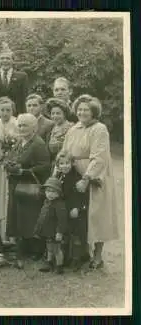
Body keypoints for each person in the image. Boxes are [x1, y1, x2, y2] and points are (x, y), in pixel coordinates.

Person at [60, 94, 119, 270]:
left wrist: (86, 178)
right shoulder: (73, 129)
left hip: (93, 177)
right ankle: (81, 252)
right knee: (78, 214)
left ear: (93, 112)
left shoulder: (99, 129)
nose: (82, 113)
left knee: (97, 214)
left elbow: (100, 157)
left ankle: (98, 256)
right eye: (79, 109)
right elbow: (64, 152)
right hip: (73, 174)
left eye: (86, 110)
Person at [5, 113, 51, 269]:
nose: (21, 128)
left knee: (31, 216)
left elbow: (45, 166)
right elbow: (12, 157)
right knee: (19, 215)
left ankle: (36, 249)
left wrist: (23, 171)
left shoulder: (38, 144)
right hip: (17, 185)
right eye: (19, 125)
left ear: (34, 128)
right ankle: (22, 245)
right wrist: (9, 164)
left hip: (30, 186)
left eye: (25, 125)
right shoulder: (19, 141)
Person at [53, 152, 90, 271]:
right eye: (61, 164)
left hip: (76, 211)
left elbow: (83, 196)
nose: (65, 166)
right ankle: (66, 257)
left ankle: (76, 259)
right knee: (66, 233)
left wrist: (78, 208)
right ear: (58, 165)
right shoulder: (59, 176)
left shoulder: (77, 177)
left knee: (77, 236)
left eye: (67, 163)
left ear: (72, 163)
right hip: (65, 209)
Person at [0, 97, 18, 242]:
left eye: (8, 110)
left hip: (13, 164)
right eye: (2, 110)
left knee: (10, 196)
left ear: (12, 111)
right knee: (0, 195)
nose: (5, 113)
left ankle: (12, 234)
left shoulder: (18, 124)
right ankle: (2, 234)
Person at [33, 177, 68, 274]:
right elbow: (42, 216)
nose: (50, 194)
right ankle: (49, 263)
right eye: (48, 191)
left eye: (53, 192)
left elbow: (62, 220)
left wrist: (60, 232)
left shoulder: (59, 205)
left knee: (57, 249)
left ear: (59, 193)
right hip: (47, 231)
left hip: (55, 232)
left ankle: (59, 266)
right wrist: (38, 228)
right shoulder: (46, 202)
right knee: (49, 248)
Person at [0, 44, 29, 115]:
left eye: (7, 58)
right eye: (2, 58)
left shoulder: (22, 77)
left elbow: (25, 98)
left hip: (17, 115)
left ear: (13, 61)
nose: (4, 61)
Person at [45, 97, 74, 162]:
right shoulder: (51, 129)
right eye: (53, 113)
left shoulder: (71, 128)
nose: (55, 116)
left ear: (64, 114)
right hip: (54, 163)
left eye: (58, 113)